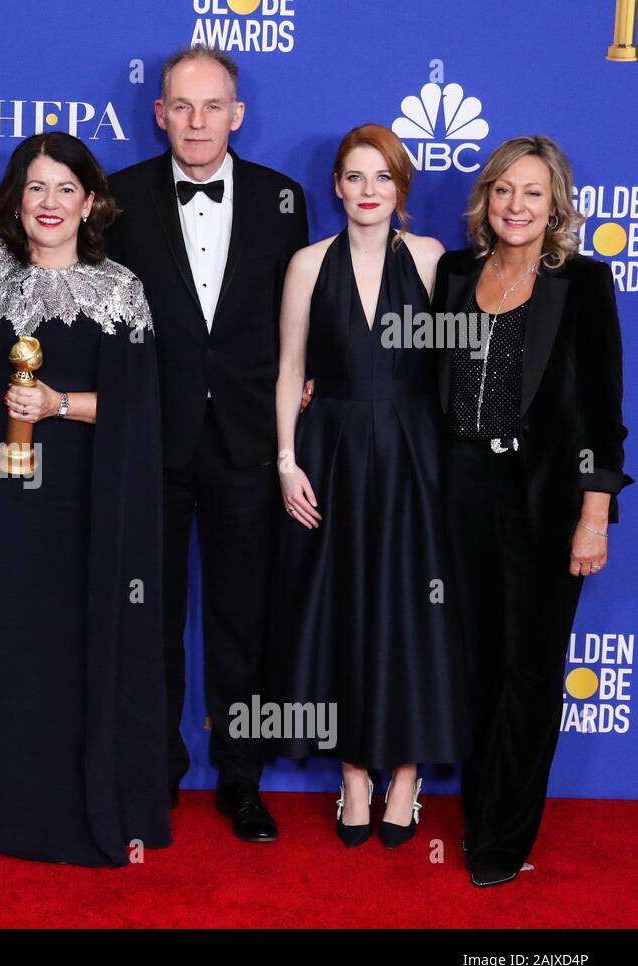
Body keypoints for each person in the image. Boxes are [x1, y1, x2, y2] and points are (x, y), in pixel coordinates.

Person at [0, 131, 169, 865]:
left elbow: (139, 410)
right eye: (36, 188)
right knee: (3, 646)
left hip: (80, 506)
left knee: (67, 647)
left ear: (92, 202)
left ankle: (76, 805)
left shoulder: (120, 291)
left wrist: (57, 403)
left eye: (66, 189)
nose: (50, 203)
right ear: (15, 199)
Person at [107, 46, 308, 840]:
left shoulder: (284, 200)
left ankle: (243, 778)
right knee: (148, 617)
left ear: (238, 114)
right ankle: (153, 771)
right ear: (159, 114)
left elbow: (303, 317)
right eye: (181, 107)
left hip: (249, 441)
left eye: (212, 106)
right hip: (150, 440)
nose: (196, 122)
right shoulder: (117, 200)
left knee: (242, 620)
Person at [434, 136, 630, 887]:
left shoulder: (582, 282)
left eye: (534, 193)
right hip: (460, 490)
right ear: (487, 199)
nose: (518, 206)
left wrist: (593, 514)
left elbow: (604, 413)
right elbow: (421, 377)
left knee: (531, 668)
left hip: (546, 499)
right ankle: (481, 806)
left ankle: (503, 839)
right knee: (479, 664)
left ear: (556, 207)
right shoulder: (455, 273)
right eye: (506, 191)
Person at [265, 124, 467, 849]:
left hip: (417, 455)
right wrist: (288, 460)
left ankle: (405, 776)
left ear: (401, 187)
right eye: (354, 177)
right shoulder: (307, 264)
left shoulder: (434, 259)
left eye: (381, 177)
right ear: (337, 187)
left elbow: (456, 368)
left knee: (412, 613)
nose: (368, 190)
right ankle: (354, 774)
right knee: (341, 610)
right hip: (333, 453)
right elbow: (290, 370)